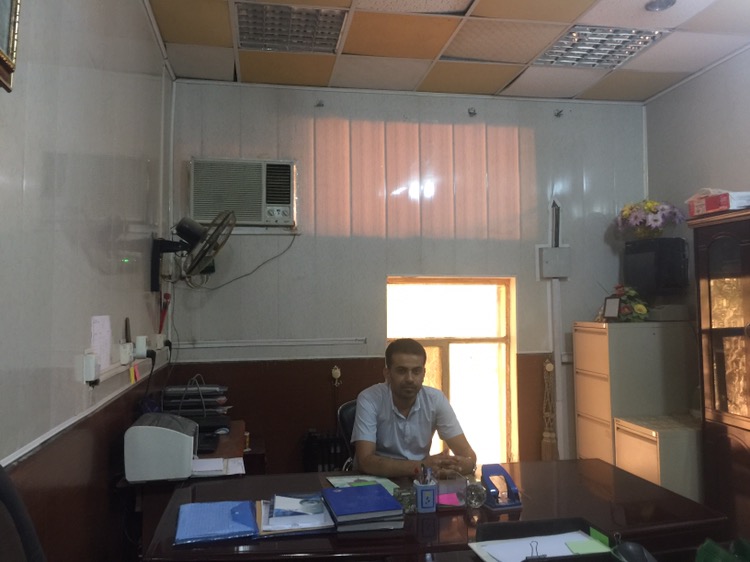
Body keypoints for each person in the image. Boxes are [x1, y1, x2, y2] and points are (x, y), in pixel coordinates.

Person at [351, 338, 477, 478]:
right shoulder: (369, 398)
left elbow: (468, 455)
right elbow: (365, 462)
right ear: (387, 374)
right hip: (376, 480)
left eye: (416, 371)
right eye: (401, 371)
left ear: (423, 374)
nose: (410, 379)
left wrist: (461, 465)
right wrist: (421, 466)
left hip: (420, 481)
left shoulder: (436, 399)